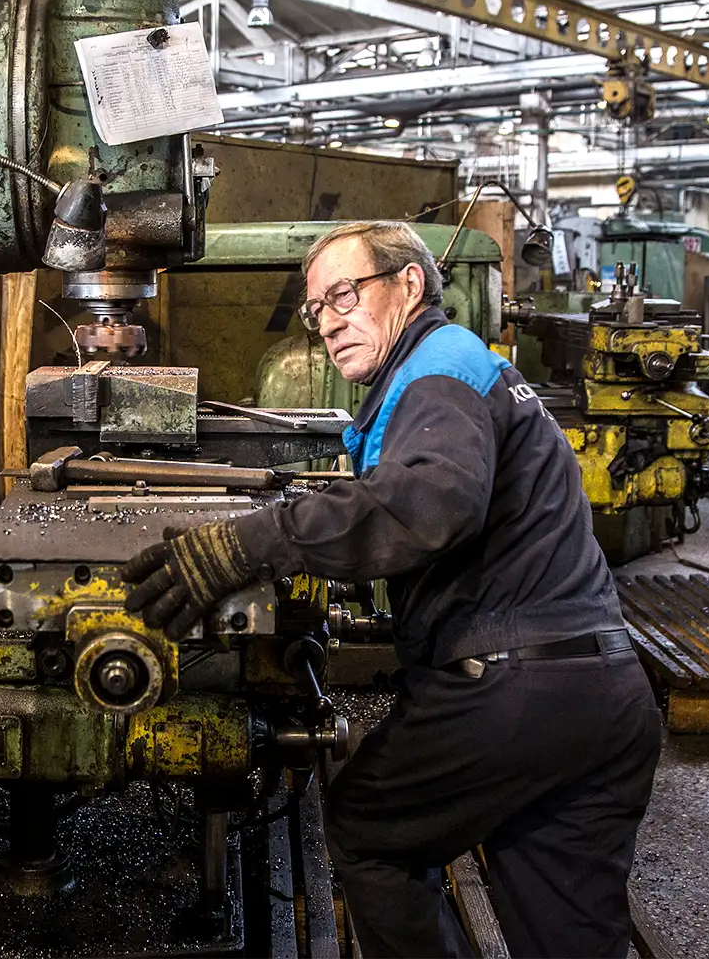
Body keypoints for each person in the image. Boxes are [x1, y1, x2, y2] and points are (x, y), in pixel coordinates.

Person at [123, 220, 662, 959]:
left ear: (409, 284)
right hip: (604, 693)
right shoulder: (462, 368)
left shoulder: (437, 371)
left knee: (367, 828)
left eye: (344, 294)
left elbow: (428, 505)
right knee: (562, 923)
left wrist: (248, 544)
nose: (329, 322)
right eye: (316, 310)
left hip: (512, 694)